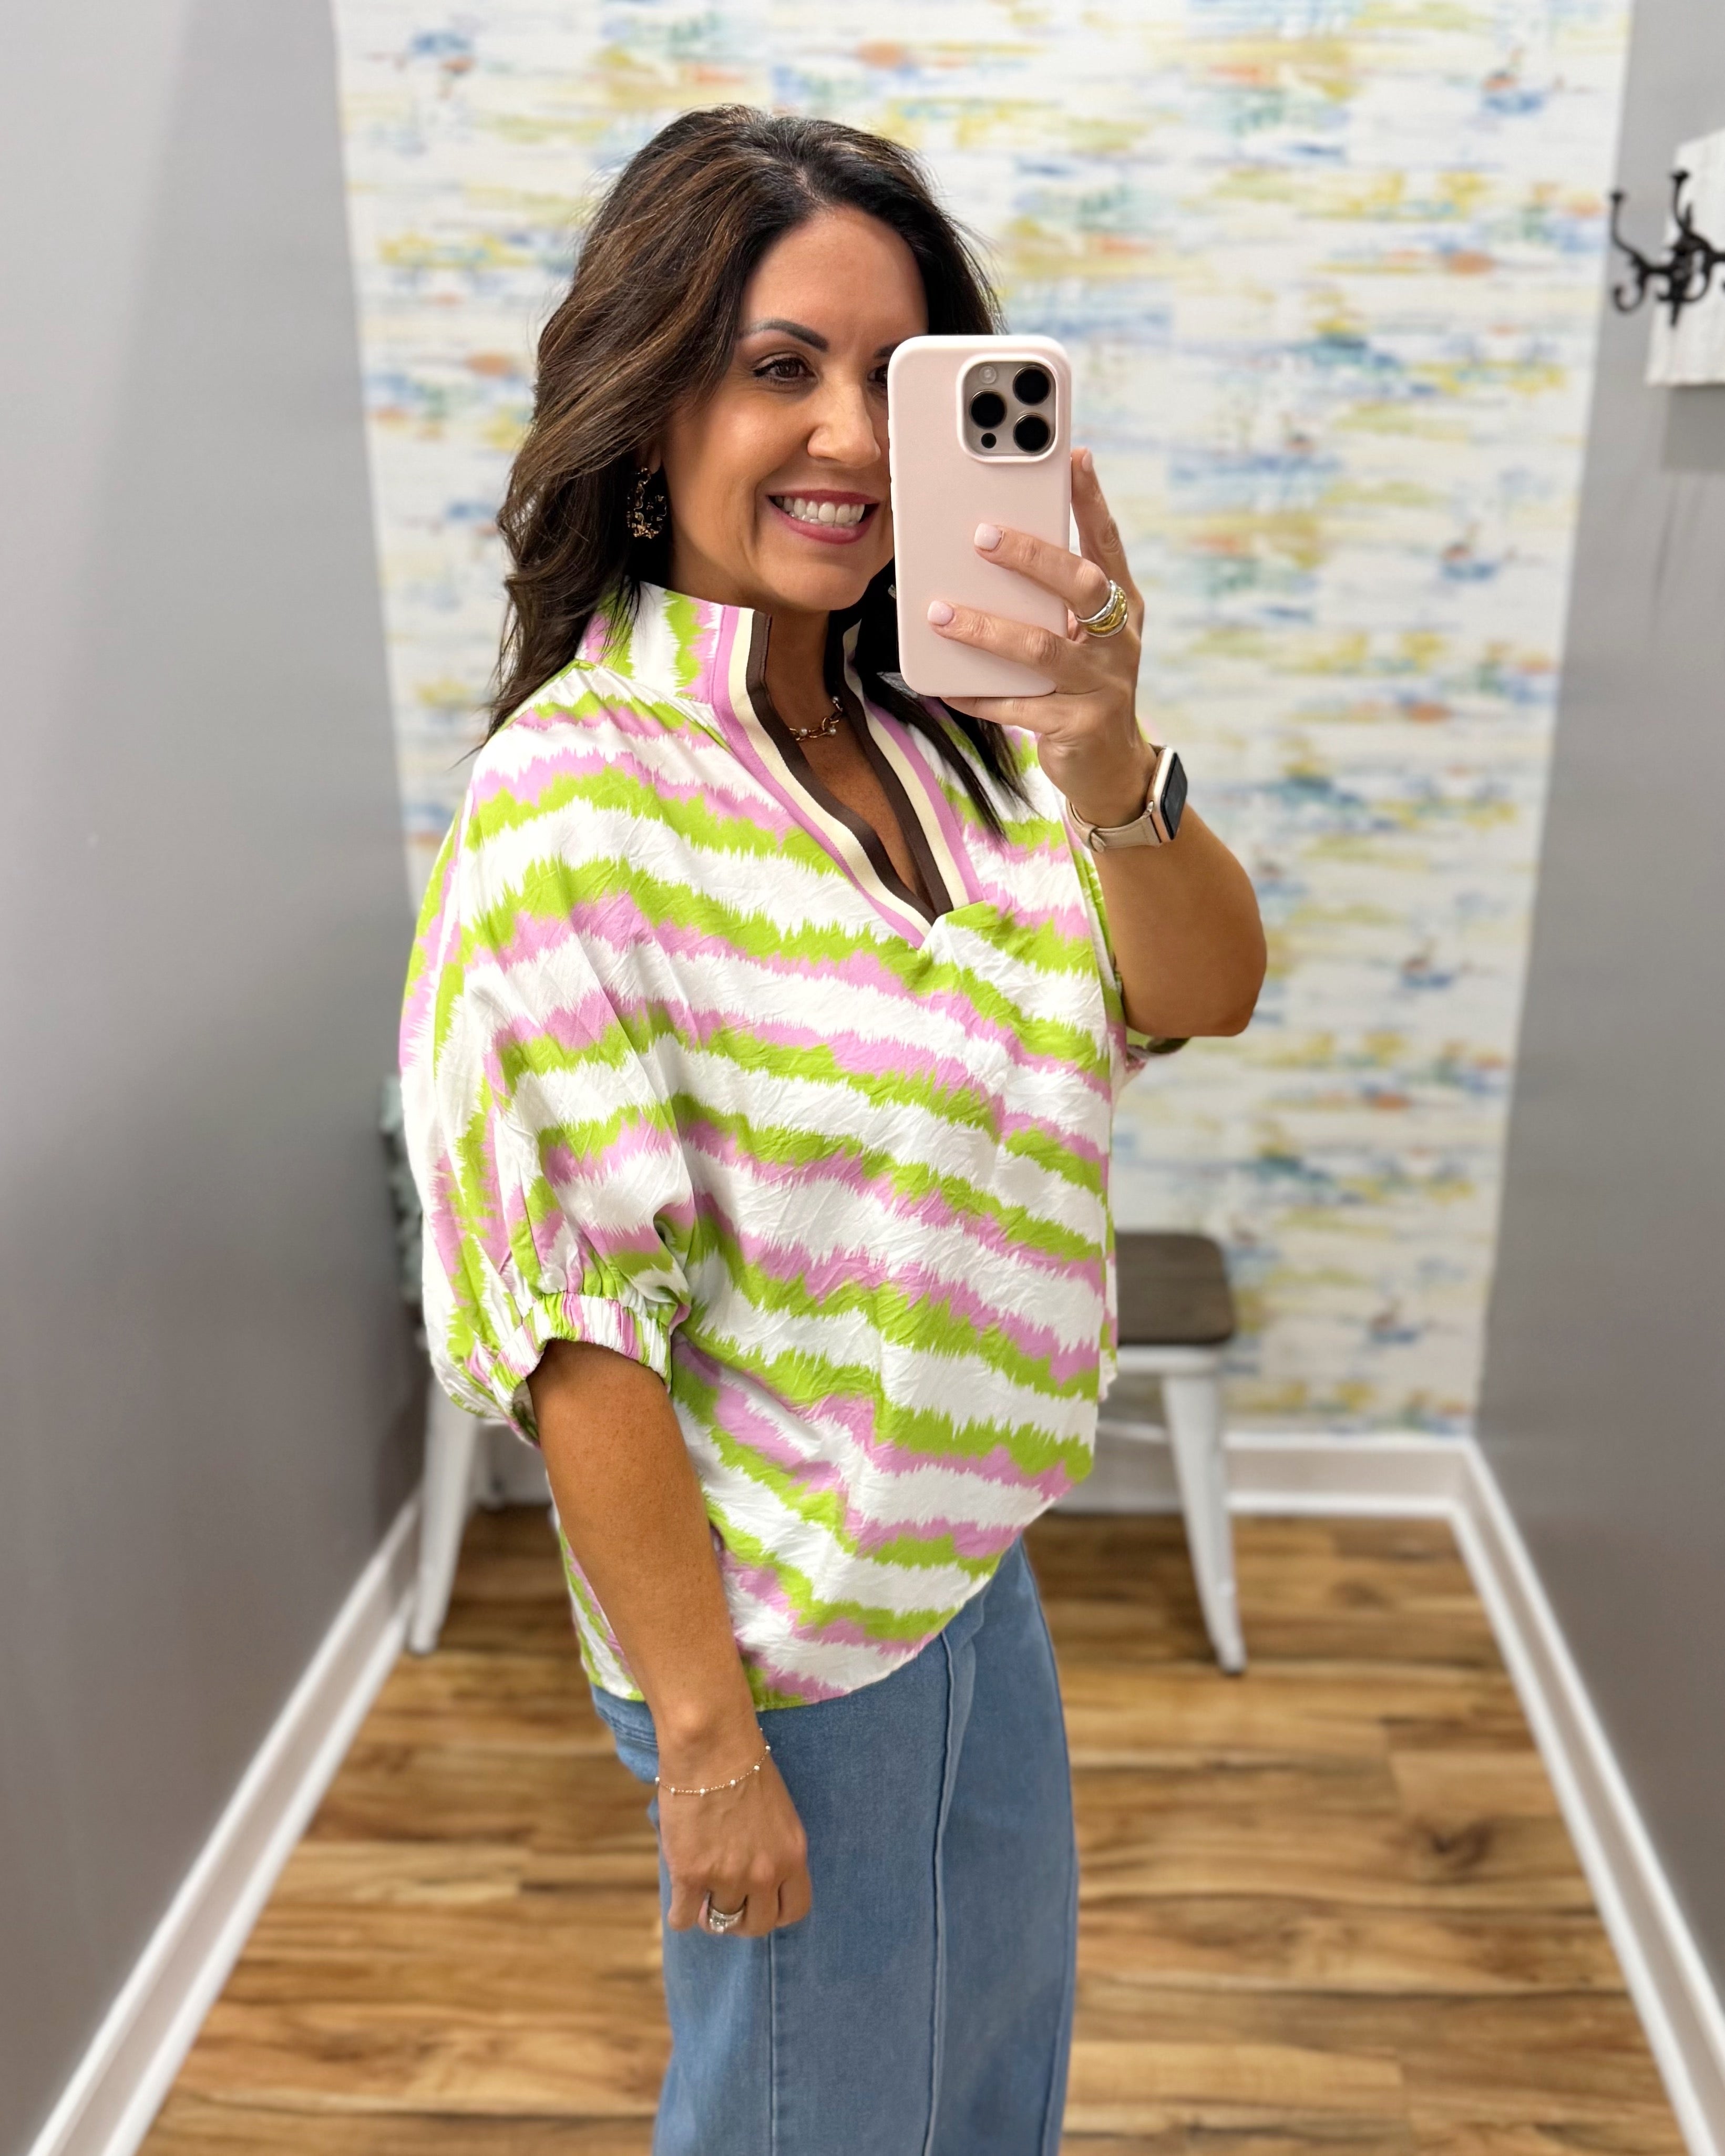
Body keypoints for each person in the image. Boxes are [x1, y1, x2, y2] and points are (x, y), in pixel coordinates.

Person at [401, 105, 1264, 2156]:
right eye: (779, 366)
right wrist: (704, 1740)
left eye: (897, 383)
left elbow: (1194, 993)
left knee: (983, 2095)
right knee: (812, 2127)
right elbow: (571, 1320)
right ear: (648, 393)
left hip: (968, 1569)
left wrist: (1101, 739)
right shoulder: (577, 802)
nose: (856, 445)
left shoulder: (935, 752)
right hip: (785, 1647)